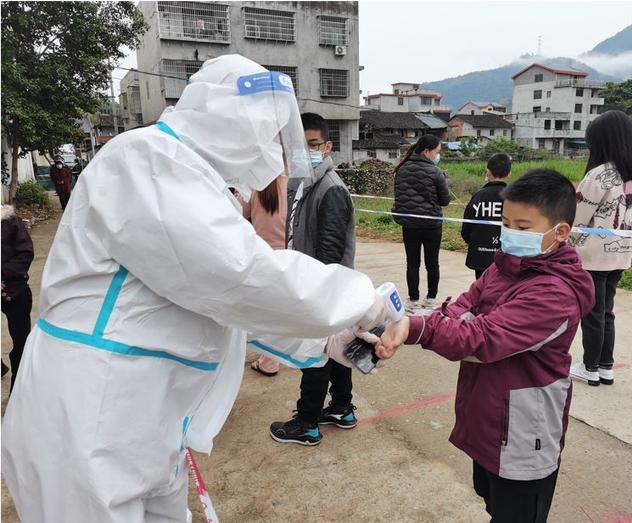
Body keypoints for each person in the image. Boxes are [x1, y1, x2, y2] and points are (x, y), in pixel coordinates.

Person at [1, 55, 391, 523]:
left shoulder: (199, 182)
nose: (267, 144)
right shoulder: (145, 158)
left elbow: (218, 306)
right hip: (92, 410)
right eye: (262, 129)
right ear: (223, 111)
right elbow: (237, 276)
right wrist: (361, 302)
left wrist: (329, 341)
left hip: (149, 412)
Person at [377, 170, 595, 523]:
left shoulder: (554, 293)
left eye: (523, 228)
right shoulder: (505, 266)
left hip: (523, 433)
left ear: (560, 232)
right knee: (491, 498)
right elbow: (462, 306)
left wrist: (416, 327)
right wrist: (438, 322)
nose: (510, 234)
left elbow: (481, 338)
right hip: (490, 416)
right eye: (506, 223)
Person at [269, 112, 359, 446]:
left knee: (315, 354)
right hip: (321, 286)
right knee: (335, 349)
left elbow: (330, 252)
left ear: (327, 146)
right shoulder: (305, 183)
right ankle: (341, 407)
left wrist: (312, 292)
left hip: (323, 287)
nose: (304, 152)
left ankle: (307, 422)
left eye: (313, 145)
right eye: (298, 146)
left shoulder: (330, 188)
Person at [569, 110, 632, 387]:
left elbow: (577, 218)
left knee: (592, 313)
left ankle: (589, 367)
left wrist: (565, 244)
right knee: (606, 312)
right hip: (621, 254)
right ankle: (605, 366)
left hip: (593, 257)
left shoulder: (599, 175)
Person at [392, 134, 451, 311]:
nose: (437, 155)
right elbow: (445, 201)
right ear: (427, 151)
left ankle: (413, 300)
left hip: (409, 225)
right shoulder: (435, 172)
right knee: (432, 263)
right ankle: (431, 299)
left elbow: (400, 196)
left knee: (412, 263)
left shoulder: (401, 169)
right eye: (437, 152)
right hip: (432, 225)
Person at [238, 175, 289, 377]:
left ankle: (268, 361)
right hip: (288, 255)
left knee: (264, 311)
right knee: (280, 310)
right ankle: (272, 357)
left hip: (262, 256)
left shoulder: (251, 185)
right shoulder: (290, 183)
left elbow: (240, 212)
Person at [461, 153, 511, 279]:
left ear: (488, 171)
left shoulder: (478, 196)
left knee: (481, 289)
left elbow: (466, 227)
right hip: (507, 256)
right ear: (509, 173)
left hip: (481, 255)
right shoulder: (515, 198)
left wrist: (475, 242)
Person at [1, 204, 34, 394]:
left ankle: (19, 393)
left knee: (21, 344)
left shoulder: (10, 221)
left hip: (15, 292)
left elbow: (26, 254)